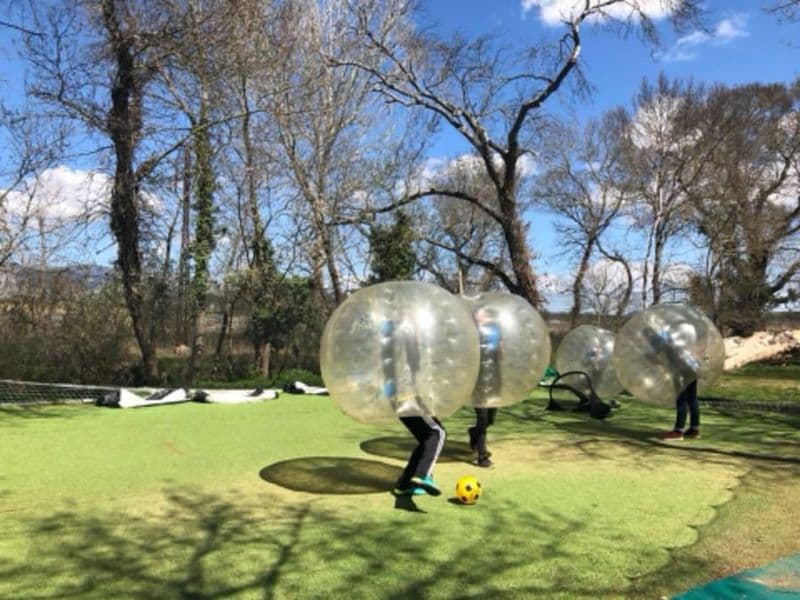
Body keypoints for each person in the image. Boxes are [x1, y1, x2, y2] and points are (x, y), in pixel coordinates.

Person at [379, 316, 444, 497]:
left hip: (399, 397)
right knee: (437, 433)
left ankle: (405, 483)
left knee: (425, 437)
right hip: (407, 396)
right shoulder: (402, 342)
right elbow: (415, 361)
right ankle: (423, 475)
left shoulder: (388, 341)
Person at [468, 306, 502, 467]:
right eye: (480, 315)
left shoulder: (495, 333)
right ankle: (482, 456)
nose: (483, 317)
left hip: (493, 381)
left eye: (484, 315)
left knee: (490, 420)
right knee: (482, 419)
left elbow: (498, 356)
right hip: (477, 383)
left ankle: (473, 432)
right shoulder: (471, 335)